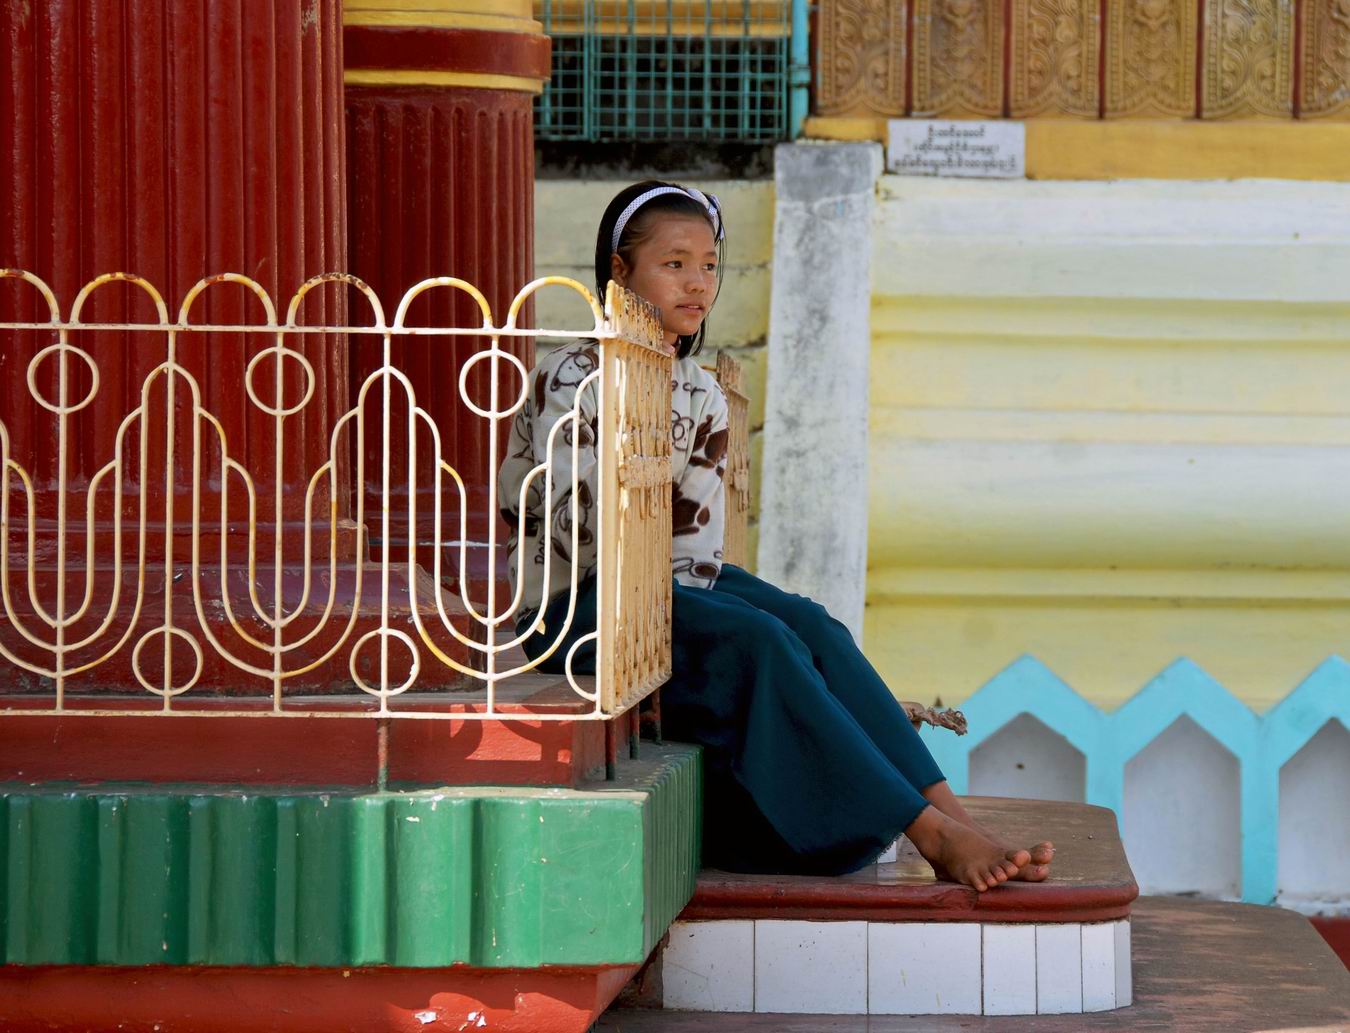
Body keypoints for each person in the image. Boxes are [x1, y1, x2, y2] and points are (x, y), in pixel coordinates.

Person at [499, 180, 1054, 890]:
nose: (698, 282)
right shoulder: (573, 375)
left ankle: (955, 815)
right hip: (574, 604)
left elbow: (692, 556)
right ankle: (930, 834)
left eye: (707, 264)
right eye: (673, 264)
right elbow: (563, 524)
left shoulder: (697, 390)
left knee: (810, 625)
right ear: (619, 272)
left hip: (663, 588)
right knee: (759, 640)